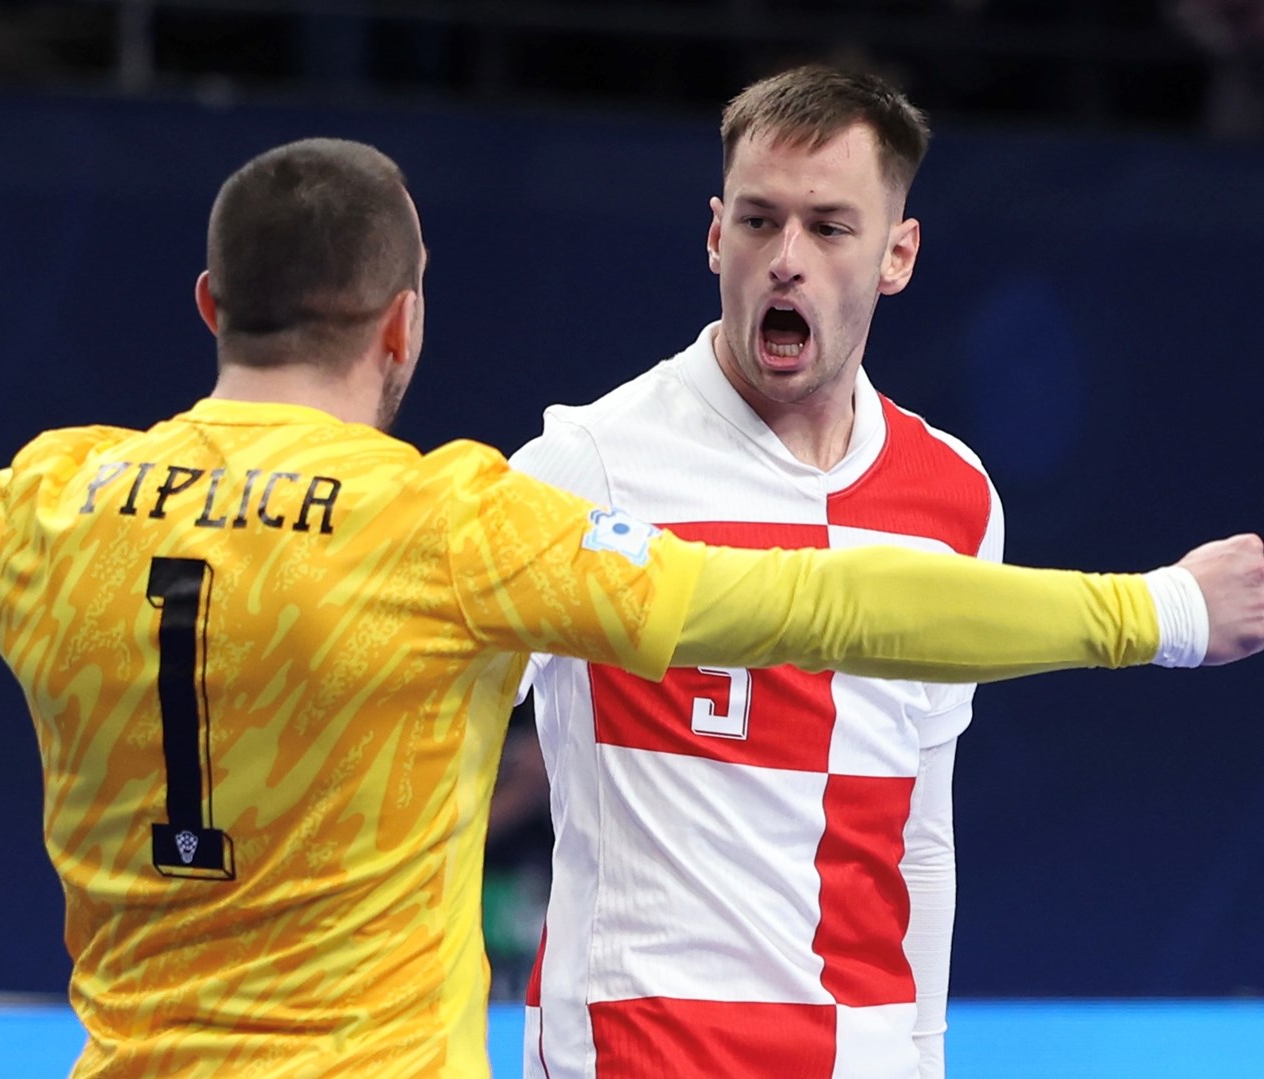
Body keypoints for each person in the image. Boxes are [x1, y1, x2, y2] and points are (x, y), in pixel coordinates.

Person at [0, 137, 1264, 1079]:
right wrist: (1155, 614)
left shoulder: (50, 501)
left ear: (209, 304)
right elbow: (829, 607)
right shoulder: (452, 526)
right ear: (403, 326)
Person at [508, 65, 1191, 1079]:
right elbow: (438, 740)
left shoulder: (955, 496)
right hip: (633, 1050)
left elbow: (920, 827)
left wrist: (924, 1051)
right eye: (758, 221)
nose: (786, 260)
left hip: (860, 1051)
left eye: (829, 227)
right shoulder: (585, 467)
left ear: (895, 254)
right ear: (715, 236)